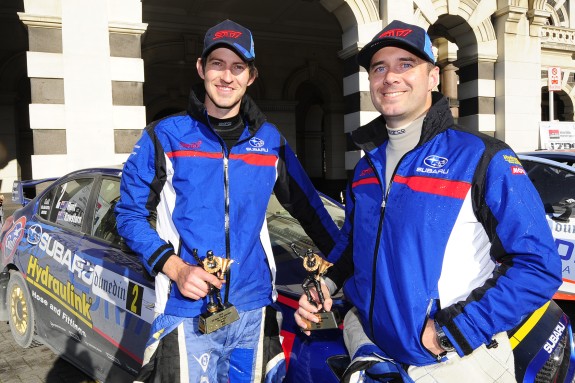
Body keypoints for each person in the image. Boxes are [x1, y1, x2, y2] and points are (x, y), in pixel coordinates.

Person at [294, 20, 562, 382]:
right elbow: (352, 244)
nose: (391, 76)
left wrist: (451, 331)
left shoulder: (483, 158)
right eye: (379, 67)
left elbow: (539, 266)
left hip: (453, 362)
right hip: (376, 355)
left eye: (406, 64)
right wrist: (324, 284)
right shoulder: (366, 168)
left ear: (434, 77)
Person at [115, 19, 340, 383]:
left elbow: (312, 212)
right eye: (217, 64)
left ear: (251, 76)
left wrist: (345, 270)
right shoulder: (165, 136)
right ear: (202, 69)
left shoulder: (270, 142)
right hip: (187, 308)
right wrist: (176, 268)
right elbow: (128, 216)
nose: (226, 76)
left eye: (238, 67)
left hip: (253, 310)